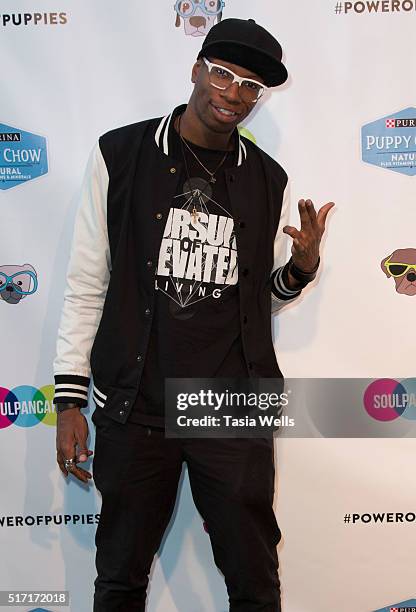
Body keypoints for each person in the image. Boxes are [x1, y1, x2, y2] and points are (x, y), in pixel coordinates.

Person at [53, 17, 334, 612]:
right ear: (196, 70)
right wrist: (70, 399)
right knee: (120, 579)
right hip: (136, 403)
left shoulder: (267, 179)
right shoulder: (120, 155)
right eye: (224, 74)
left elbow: (255, 302)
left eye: (252, 86)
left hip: (232, 404)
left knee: (255, 583)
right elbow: (86, 285)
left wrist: (301, 271)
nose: (234, 93)